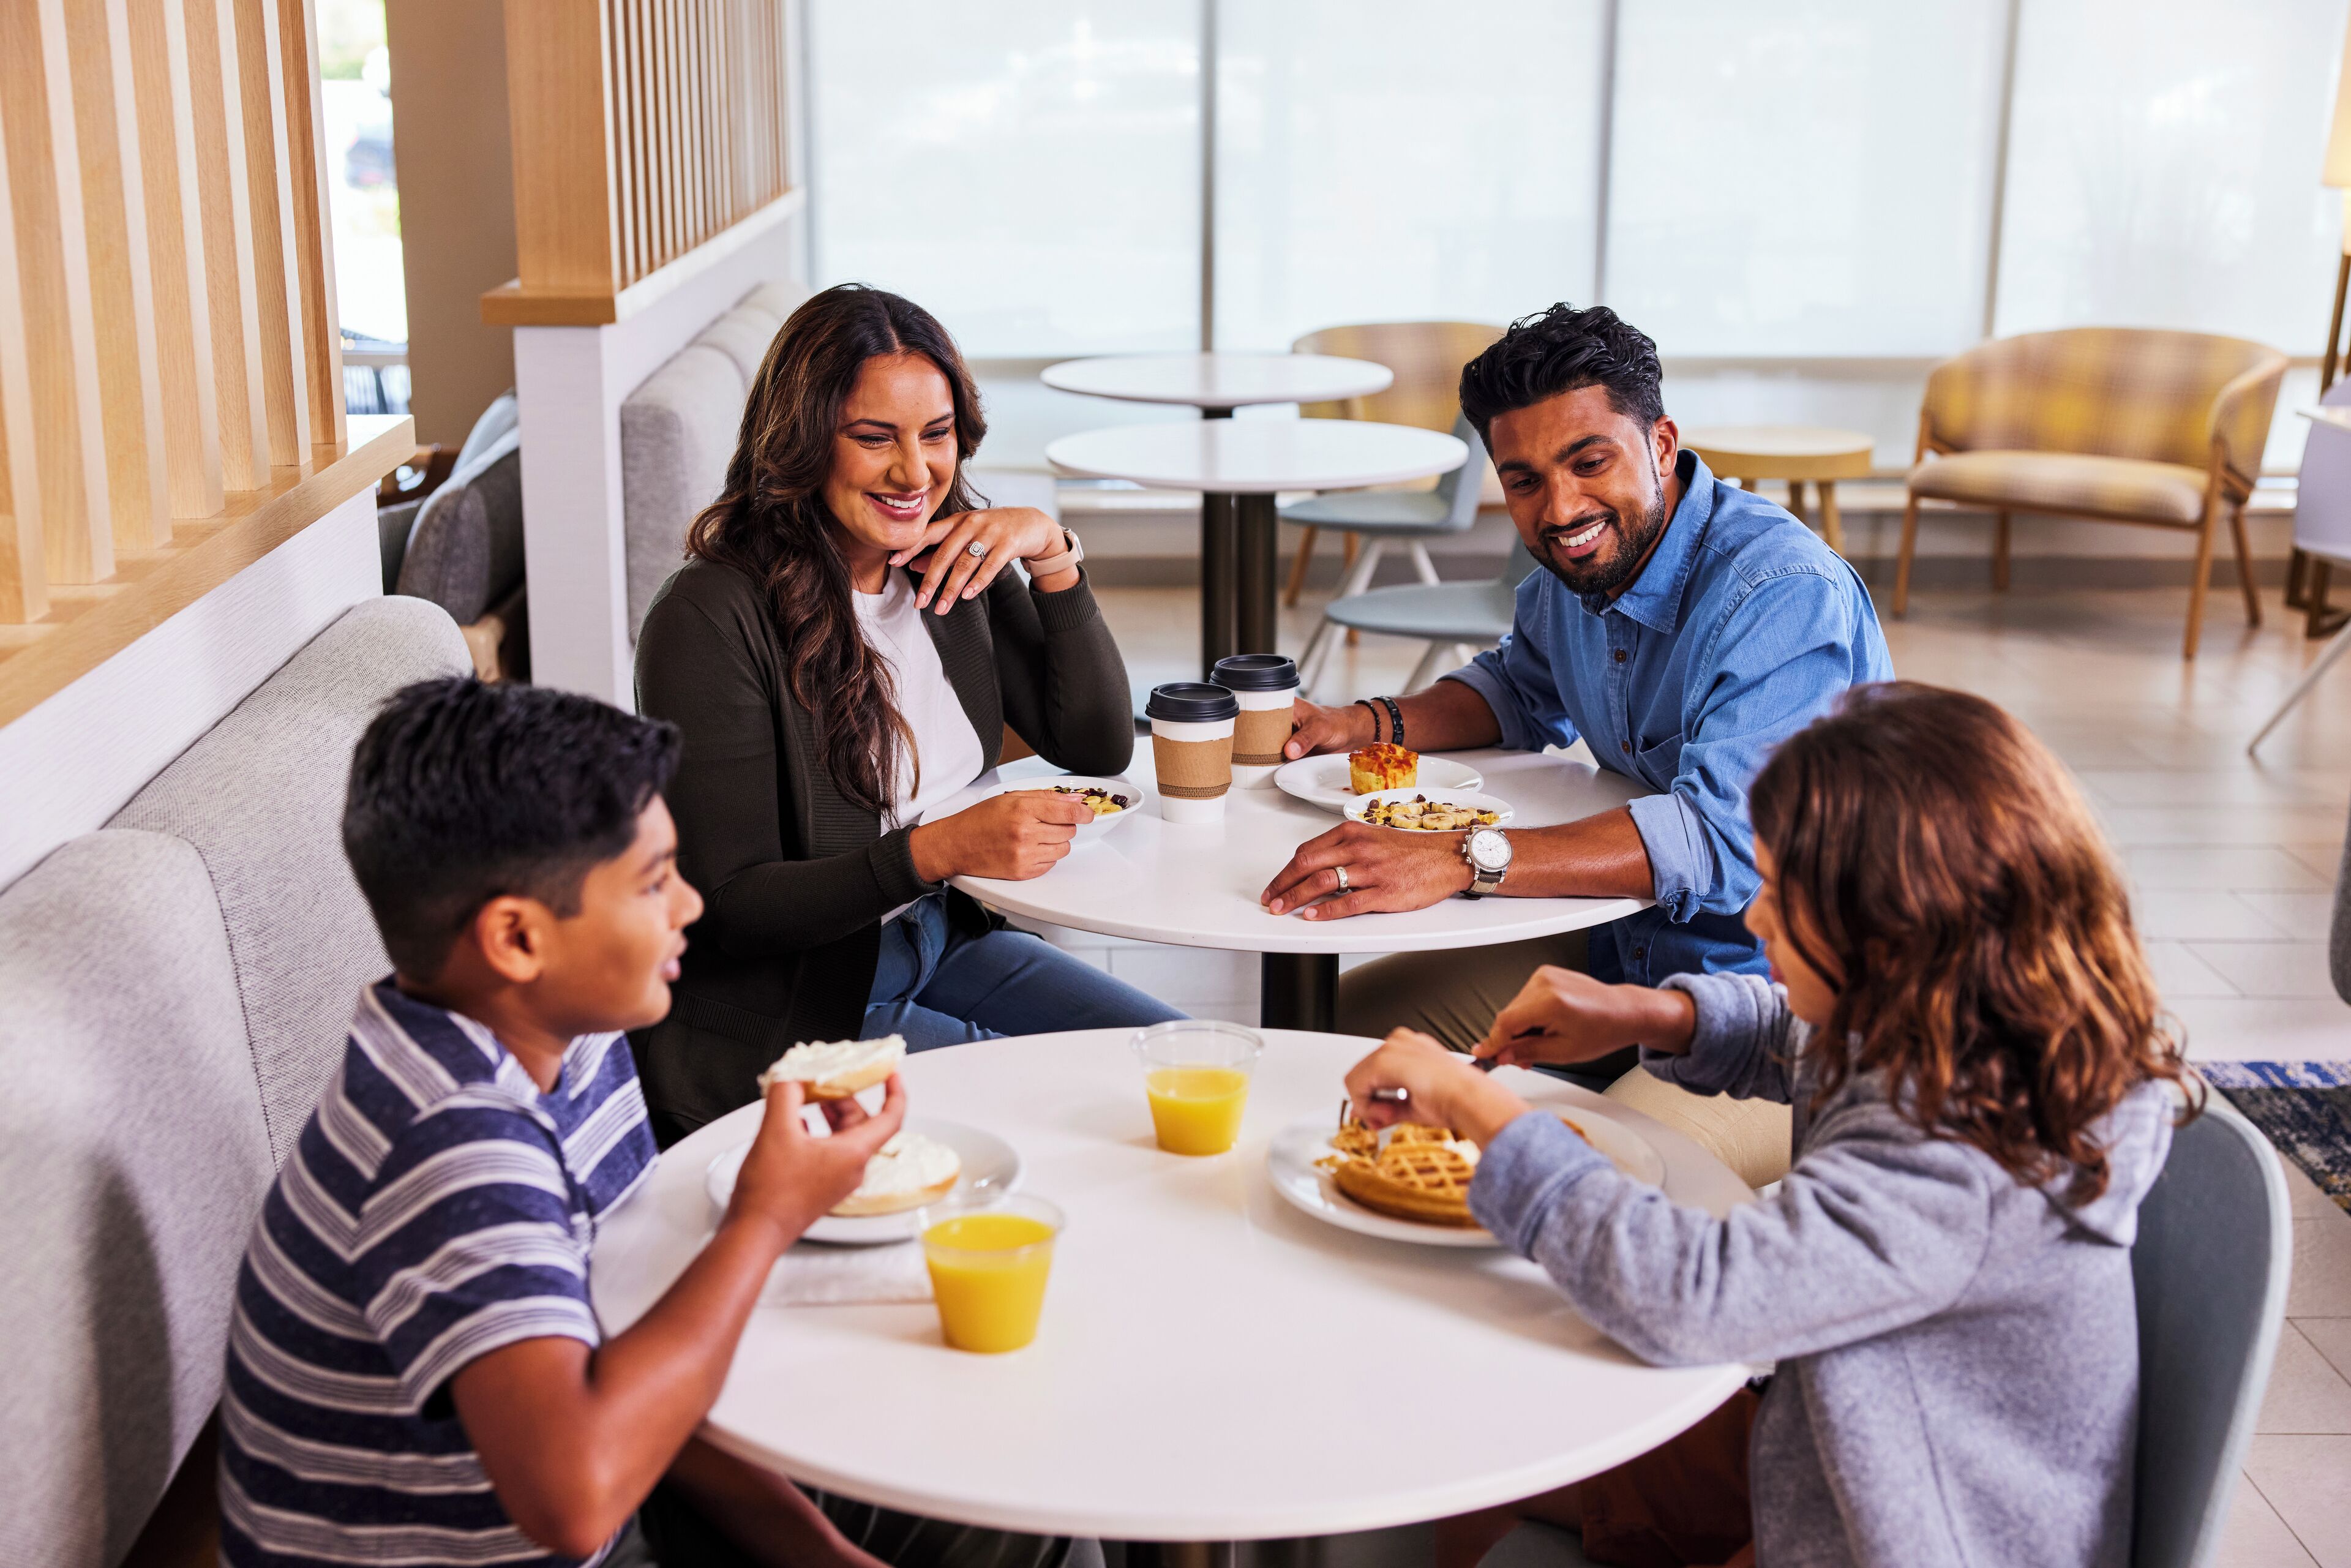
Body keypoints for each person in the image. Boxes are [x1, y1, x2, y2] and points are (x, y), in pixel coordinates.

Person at [216, 677, 1086, 1568]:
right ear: (517, 939)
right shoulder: (451, 1146)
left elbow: (625, 1355)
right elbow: (579, 1498)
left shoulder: (566, 1038)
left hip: (621, 1483)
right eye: (654, 883)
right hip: (565, 1523)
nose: (691, 907)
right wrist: (765, 1214)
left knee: (1028, 1496)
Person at [1341, 683, 2196, 1568]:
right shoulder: (1979, 1035)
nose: (1755, 918)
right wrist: (1655, 1015)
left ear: (1893, 933)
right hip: (1846, 1460)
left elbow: (1693, 1297)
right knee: (1488, 1439)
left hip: (1902, 1532)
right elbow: (1825, 1044)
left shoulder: (1959, 1162)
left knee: (1495, 1431)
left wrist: (1482, 1111)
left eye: (1783, 899)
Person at [1262, 304, 1892, 1170]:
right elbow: (1520, 687)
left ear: (1661, 444)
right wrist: (1356, 722)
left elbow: (1723, 840)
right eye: (1523, 480)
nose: (1559, 508)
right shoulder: (1582, 562)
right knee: (1313, 1050)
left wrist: (1462, 856)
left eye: (1588, 462)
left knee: (1604, 1189)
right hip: (1619, 950)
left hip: (1778, 1015)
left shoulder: (1781, 593)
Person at [635, 283, 1181, 1143]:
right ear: (804, 442)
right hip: (803, 1008)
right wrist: (934, 850)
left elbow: (1098, 743)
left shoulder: (947, 560)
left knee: (1183, 1062)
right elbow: (728, 905)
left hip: (946, 941)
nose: (915, 472)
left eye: (937, 434)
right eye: (873, 437)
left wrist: (1053, 559)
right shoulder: (709, 616)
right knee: (1099, 1120)